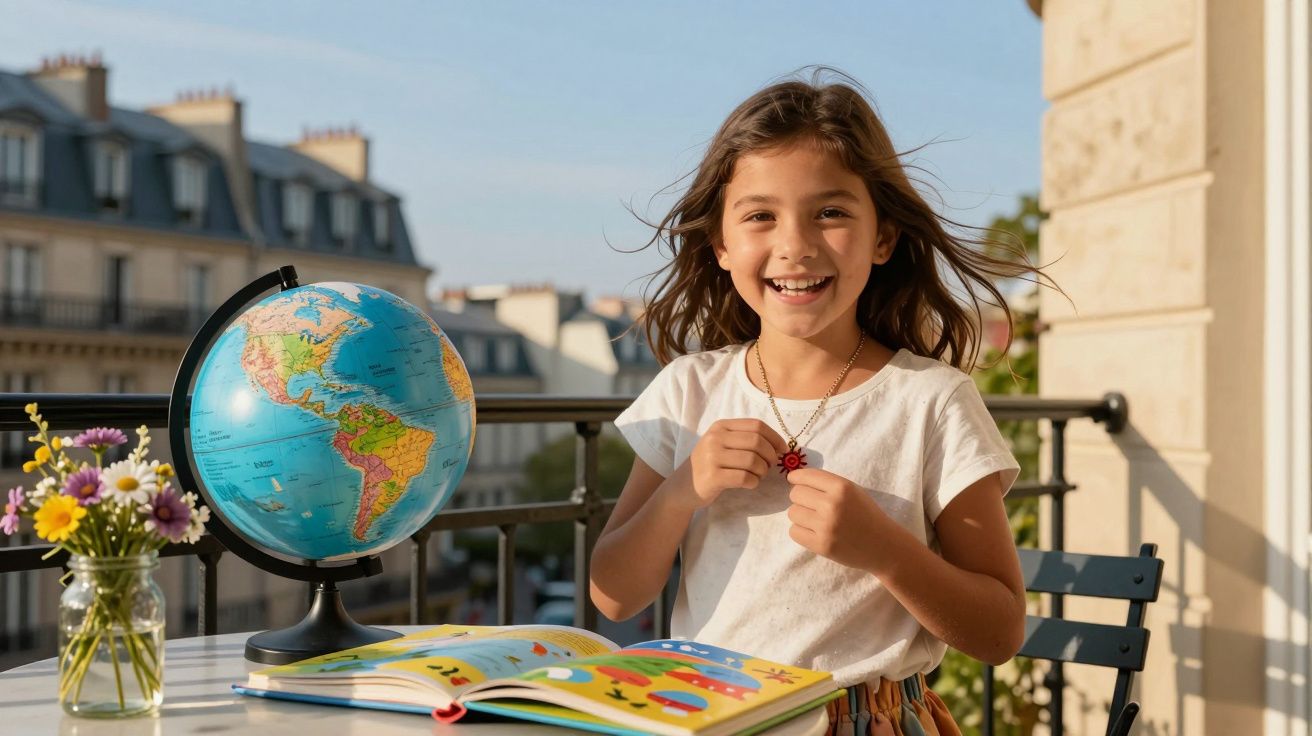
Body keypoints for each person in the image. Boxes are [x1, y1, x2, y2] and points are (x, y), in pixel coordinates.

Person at [589, 70, 1049, 736]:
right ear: (721, 243)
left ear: (883, 238)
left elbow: (999, 630)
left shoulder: (932, 402)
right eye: (760, 216)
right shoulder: (688, 391)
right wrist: (682, 490)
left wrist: (888, 552)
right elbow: (613, 592)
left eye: (830, 212)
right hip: (709, 718)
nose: (795, 244)